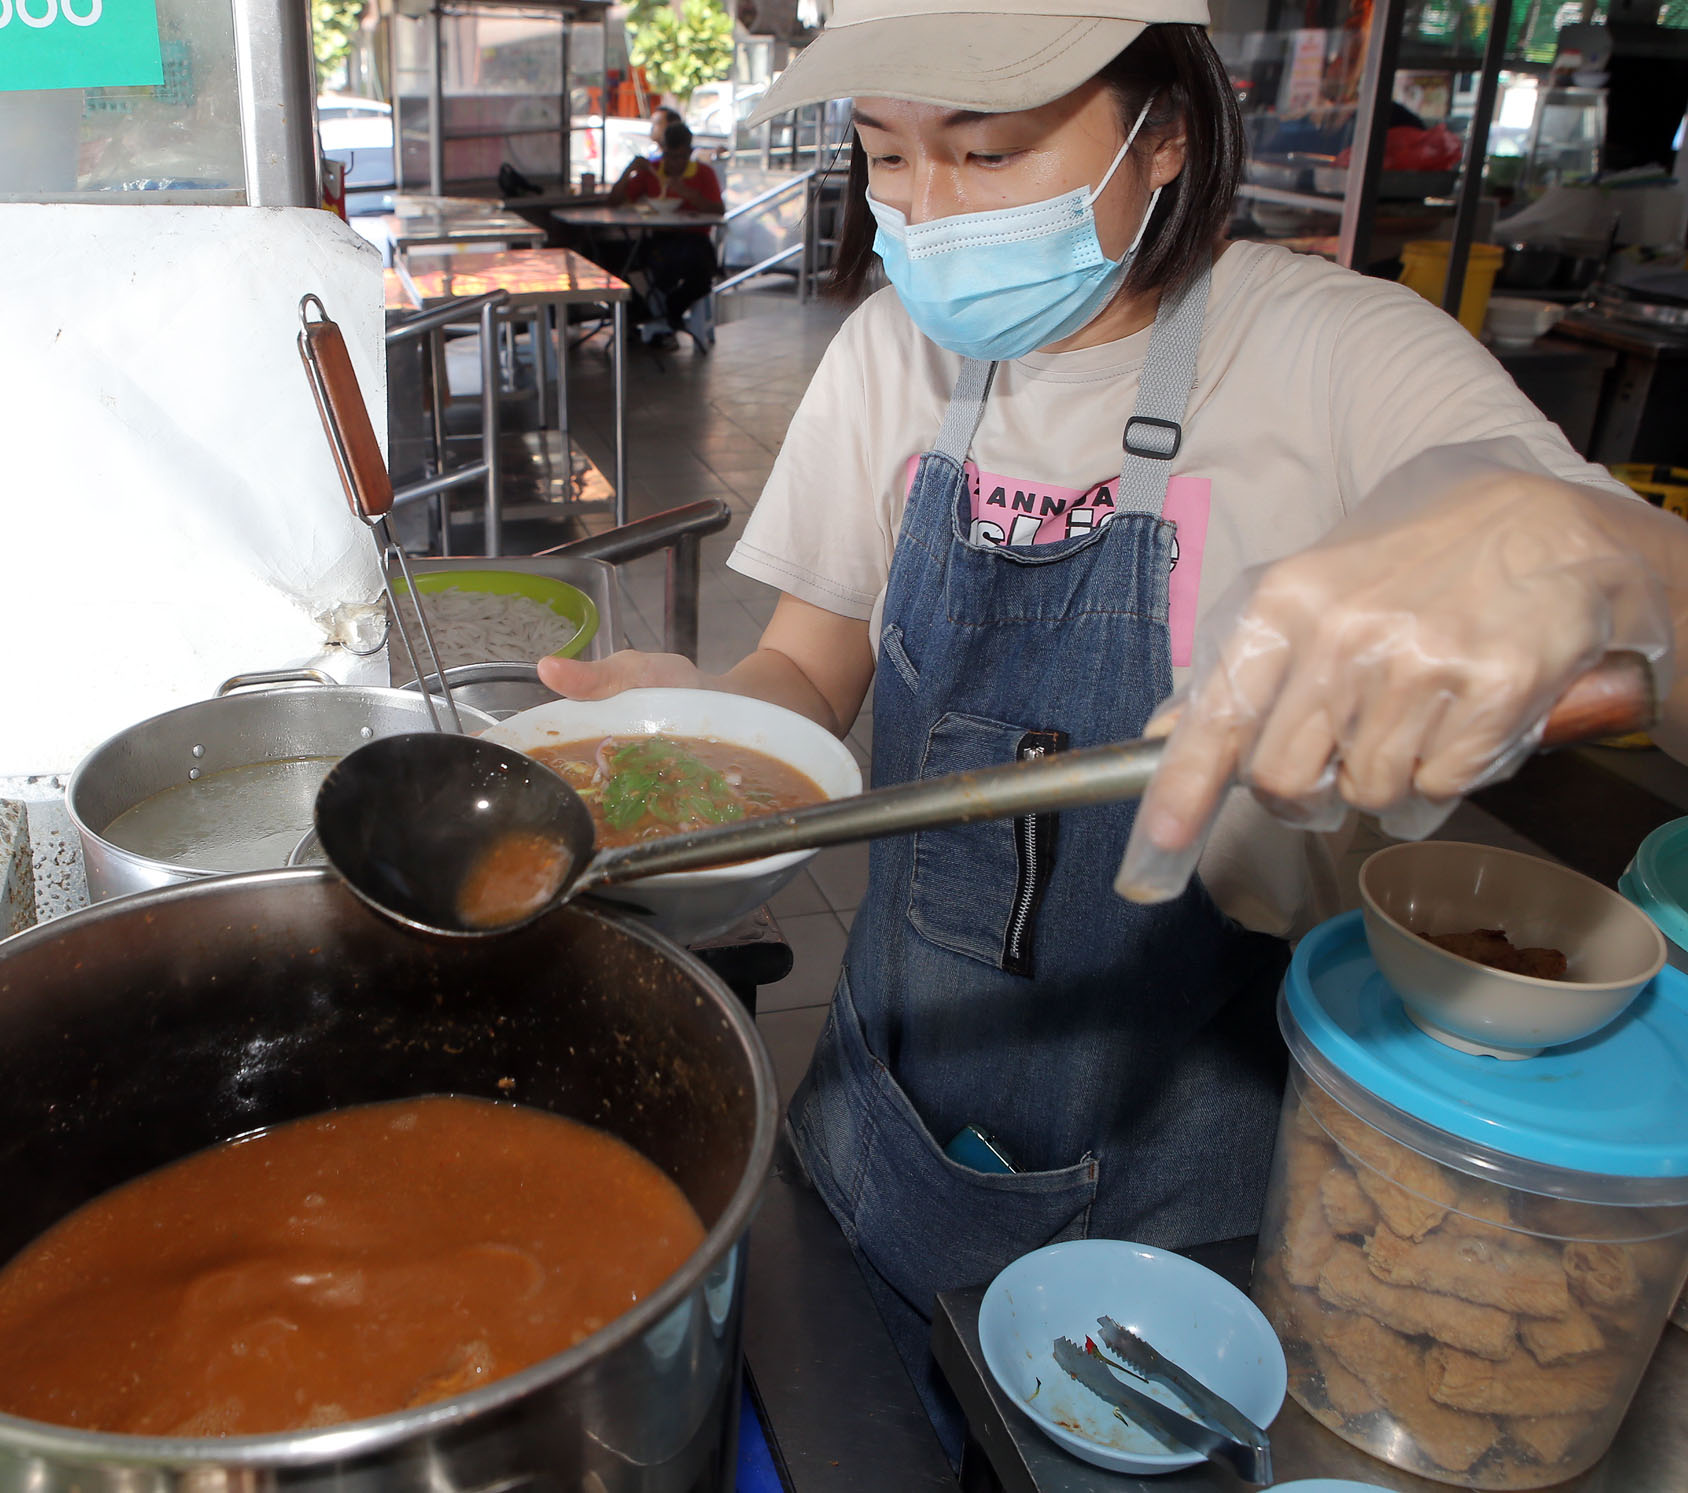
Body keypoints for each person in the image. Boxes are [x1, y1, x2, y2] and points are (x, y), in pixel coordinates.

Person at [538, 0, 1688, 1457]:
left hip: (1191, 1203)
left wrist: (1583, 546)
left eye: (990, 150)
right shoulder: (896, 355)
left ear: (1171, 136)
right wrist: (689, 737)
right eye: (889, 159)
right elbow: (805, 675)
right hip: (881, 1130)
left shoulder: (1335, 354)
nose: (927, 212)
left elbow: (1598, 562)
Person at [608, 122, 724, 350]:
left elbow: (718, 210)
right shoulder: (652, 171)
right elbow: (613, 201)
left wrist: (688, 193)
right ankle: (656, 320)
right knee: (625, 262)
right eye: (670, 156)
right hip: (659, 239)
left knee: (701, 272)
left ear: (690, 153)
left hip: (695, 240)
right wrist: (629, 171)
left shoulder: (703, 173)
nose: (674, 163)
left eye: (681, 157)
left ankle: (666, 316)